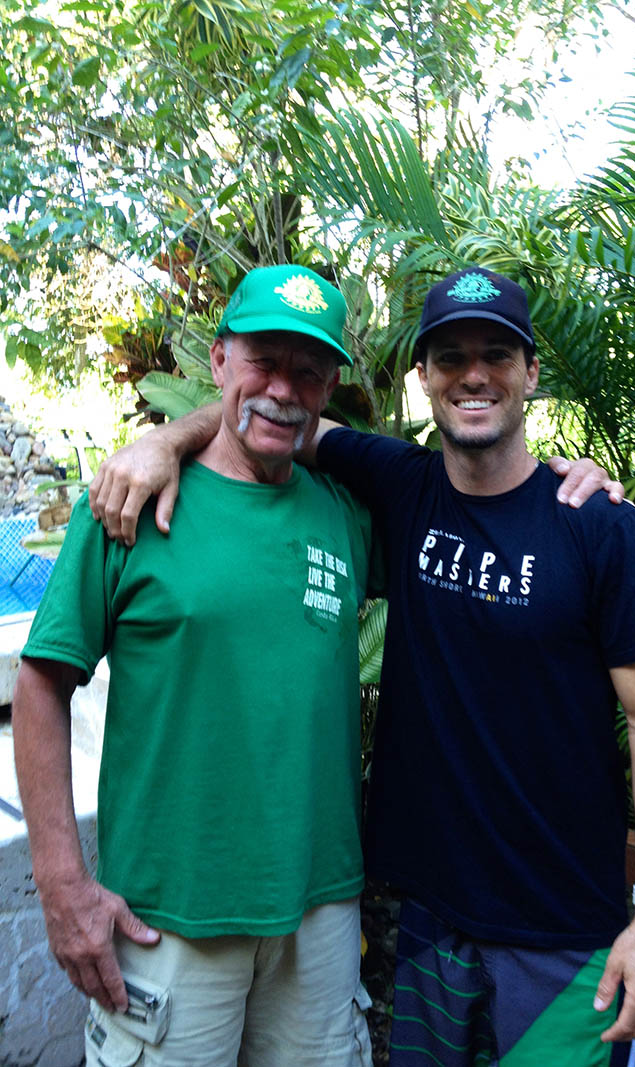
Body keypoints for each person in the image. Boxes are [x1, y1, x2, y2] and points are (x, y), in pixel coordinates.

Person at [88, 267, 635, 1067]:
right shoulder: (402, 488)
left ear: (531, 374)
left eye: (496, 354)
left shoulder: (598, 526)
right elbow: (274, 415)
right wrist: (165, 438)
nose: (473, 374)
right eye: (450, 357)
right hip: (431, 919)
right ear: (425, 378)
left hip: (565, 933)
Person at [13, 265, 379, 1066]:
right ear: (219, 360)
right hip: (169, 915)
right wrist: (63, 884)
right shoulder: (125, 503)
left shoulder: (345, 514)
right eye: (263, 361)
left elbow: (467, 502)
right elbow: (40, 685)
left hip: (320, 911)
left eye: (308, 369)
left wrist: (571, 484)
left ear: (329, 386)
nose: (284, 388)